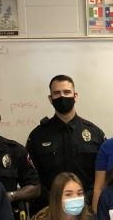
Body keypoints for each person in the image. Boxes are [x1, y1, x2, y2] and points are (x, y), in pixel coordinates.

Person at [26, 74, 106, 210]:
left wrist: (85, 200)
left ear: (75, 96)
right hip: (49, 212)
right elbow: (33, 178)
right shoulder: (37, 136)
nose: (62, 96)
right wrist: (55, 202)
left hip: (86, 211)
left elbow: (101, 176)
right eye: (57, 93)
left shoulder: (95, 134)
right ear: (50, 99)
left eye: (67, 92)